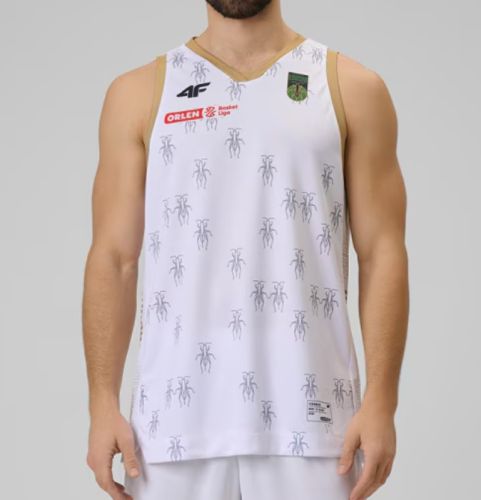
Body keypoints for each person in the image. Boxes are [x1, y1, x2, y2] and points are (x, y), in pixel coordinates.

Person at [82, 1, 409, 499]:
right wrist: (101, 403)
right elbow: (113, 258)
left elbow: (383, 252)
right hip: (171, 427)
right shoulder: (138, 93)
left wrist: (382, 400)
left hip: (315, 424)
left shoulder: (350, 87)